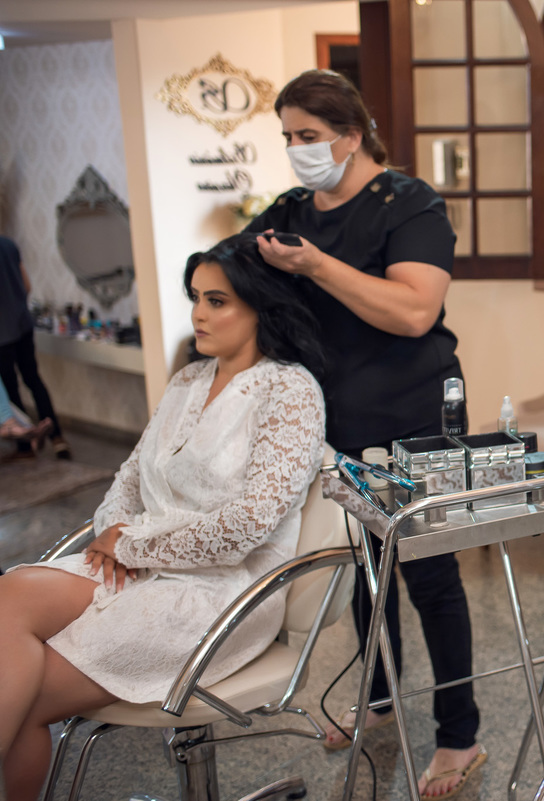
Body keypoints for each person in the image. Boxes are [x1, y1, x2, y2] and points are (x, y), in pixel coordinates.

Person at [0, 234, 327, 801]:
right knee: (12, 593)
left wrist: (130, 548)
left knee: (28, 693)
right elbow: (130, 477)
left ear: (261, 304)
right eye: (196, 297)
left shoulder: (291, 392)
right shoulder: (187, 381)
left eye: (217, 301)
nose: (198, 313)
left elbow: (249, 525)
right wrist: (111, 532)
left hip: (226, 594)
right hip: (143, 562)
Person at [244, 69, 484, 800]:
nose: (296, 150)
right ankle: (379, 696)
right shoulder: (290, 210)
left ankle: (459, 734)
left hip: (417, 414)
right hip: (338, 418)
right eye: (287, 136)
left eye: (309, 137)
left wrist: (315, 265)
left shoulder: (411, 206)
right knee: (363, 566)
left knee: (430, 578)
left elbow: (413, 311)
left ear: (350, 137)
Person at [0, 234, 69, 460]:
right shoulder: (9, 244)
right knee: (33, 379)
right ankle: (57, 438)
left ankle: (25, 445)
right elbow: (26, 285)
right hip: (22, 324)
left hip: (2, 334)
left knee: (10, 388)